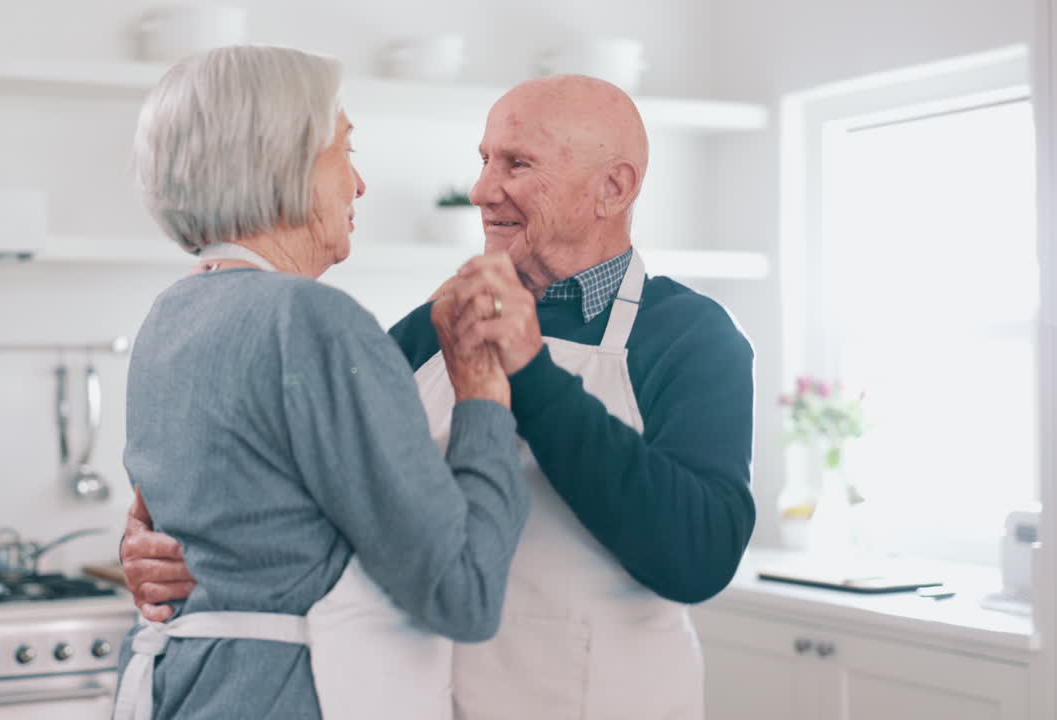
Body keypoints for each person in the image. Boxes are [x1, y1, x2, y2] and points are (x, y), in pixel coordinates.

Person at [122, 73, 756, 719]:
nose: (482, 191)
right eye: (484, 161)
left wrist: (529, 372)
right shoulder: (434, 328)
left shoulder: (686, 335)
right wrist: (167, 549)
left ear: (612, 187)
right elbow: (304, 498)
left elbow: (698, 558)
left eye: (517, 163)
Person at [110, 45, 530, 720]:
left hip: (186, 690)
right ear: (284, 162)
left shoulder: (172, 315)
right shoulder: (309, 320)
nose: (357, 185)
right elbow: (464, 592)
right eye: (344, 150)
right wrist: (483, 391)